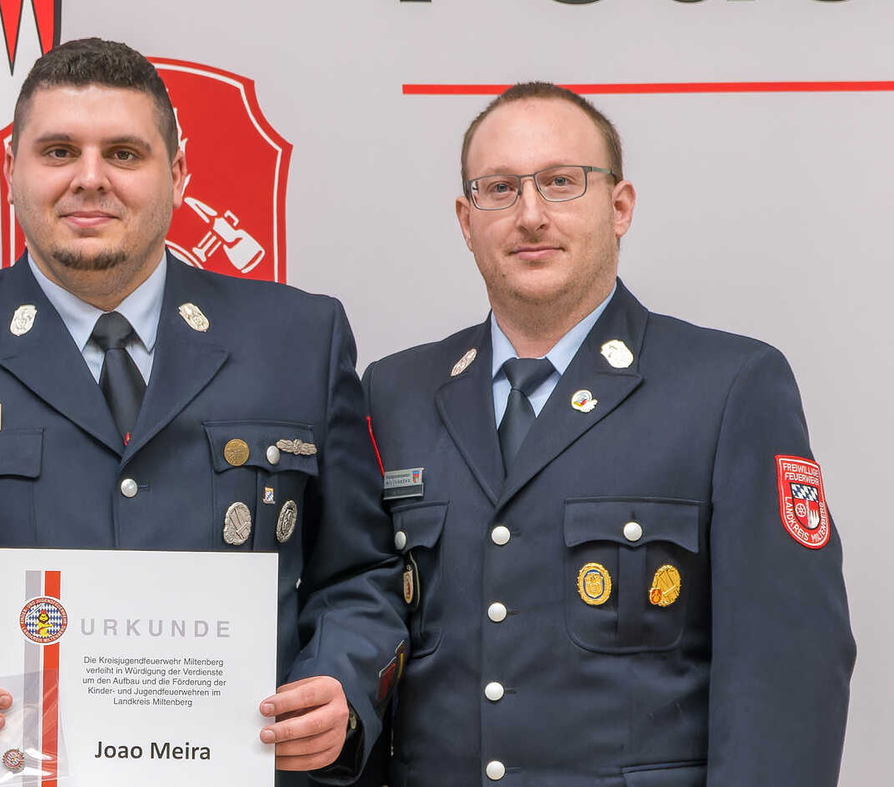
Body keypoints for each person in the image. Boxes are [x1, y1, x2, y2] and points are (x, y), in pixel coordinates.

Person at [0, 38, 405, 786]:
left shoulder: (298, 340)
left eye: (124, 153)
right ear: (11, 169)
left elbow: (362, 573)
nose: (90, 179)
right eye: (58, 152)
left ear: (177, 175)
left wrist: (341, 690)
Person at [360, 82, 855, 785]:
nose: (531, 215)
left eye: (562, 183)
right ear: (466, 221)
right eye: (500, 189)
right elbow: (362, 622)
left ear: (619, 207)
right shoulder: (396, 392)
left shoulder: (729, 387)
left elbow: (789, 669)